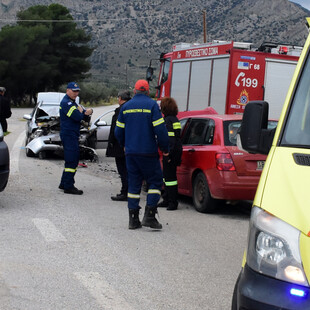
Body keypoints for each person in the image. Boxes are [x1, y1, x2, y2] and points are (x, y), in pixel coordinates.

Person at [115, 79, 170, 230]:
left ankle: (133, 220)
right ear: (147, 91)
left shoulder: (126, 107)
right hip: (148, 152)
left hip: (131, 153)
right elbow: (160, 130)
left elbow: (118, 131)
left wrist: (124, 145)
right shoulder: (152, 105)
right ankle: (150, 216)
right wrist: (165, 147)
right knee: (155, 182)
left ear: (134, 91)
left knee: (133, 184)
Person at [58, 82, 93, 195]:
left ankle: (64, 183)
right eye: (74, 91)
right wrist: (86, 113)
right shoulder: (67, 103)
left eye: (77, 91)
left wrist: (84, 112)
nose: (76, 93)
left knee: (70, 158)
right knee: (72, 159)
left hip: (71, 134)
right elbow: (77, 116)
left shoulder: (72, 102)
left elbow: (80, 112)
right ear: (67, 90)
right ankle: (69, 186)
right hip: (69, 134)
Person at [157, 97, 183, 210]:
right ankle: (166, 198)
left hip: (171, 152)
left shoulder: (167, 121)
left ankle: (172, 202)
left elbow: (170, 139)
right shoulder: (175, 119)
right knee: (167, 177)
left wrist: (167, 153)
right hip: (176, 151)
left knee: (170, 178)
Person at [106, 90, 131, 201]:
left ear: (120, 98)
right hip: (130, 145)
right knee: (129, 170)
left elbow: (117, 130)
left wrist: (113, 142)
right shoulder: (131, 108)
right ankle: (130, 191)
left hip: (121, 146)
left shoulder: (121, 110)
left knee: (123, 170)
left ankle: (124, 192)